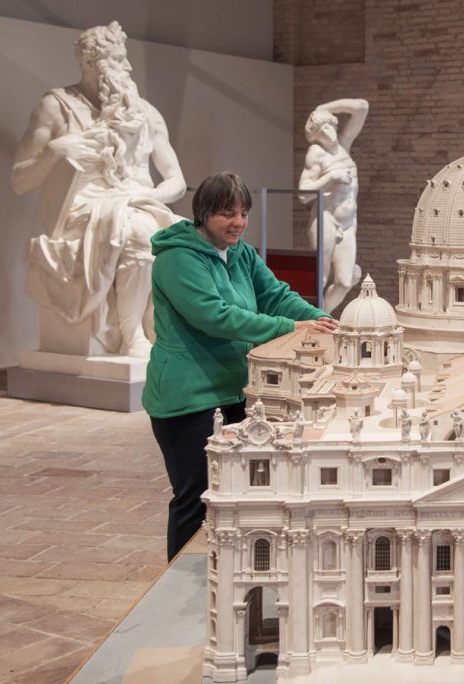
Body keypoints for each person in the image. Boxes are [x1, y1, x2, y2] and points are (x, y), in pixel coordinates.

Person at [142, 172, 337, 561]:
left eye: (244, 213)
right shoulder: (176, 260)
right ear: (203, 215)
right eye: (227, 214)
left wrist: (323, 321)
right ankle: (178, 581)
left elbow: (277, 295)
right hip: (188, 400)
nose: (238, 222)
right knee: (196, 497)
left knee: (237, 495)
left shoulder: (241, 252)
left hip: (236, 393)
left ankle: (226, 569)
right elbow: (216, 317)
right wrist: (290, 327)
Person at [11, 21, 186, 356]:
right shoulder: (57, 106)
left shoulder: (146, 114)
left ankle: (165, 330)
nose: (129, 67)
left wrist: (144, 196)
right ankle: (130, 333)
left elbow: (176, 180)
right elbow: (19, 181)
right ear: (91, 64)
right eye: (119, 60)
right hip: (81, 209)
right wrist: (56, 151)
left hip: (140, 202)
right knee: (138, 231)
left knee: (181, 233)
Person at [298, 98, 369, 313]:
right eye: (320, 131)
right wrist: (331, 177)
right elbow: (303, 195)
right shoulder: (316, 154)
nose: (326, 133)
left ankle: (322, 317)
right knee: (319, 279)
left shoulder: (345, 144)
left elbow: (361, 107)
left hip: (348, 223)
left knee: (345, 281)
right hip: (326, 218)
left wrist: (324, 109)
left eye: (328, 126)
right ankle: (314, 321)